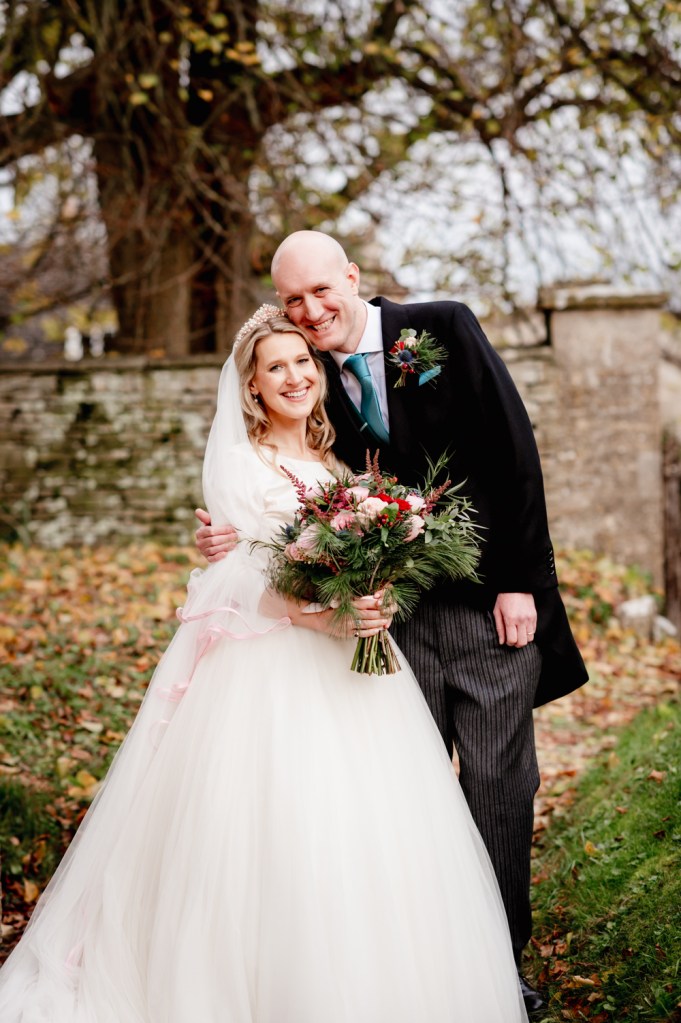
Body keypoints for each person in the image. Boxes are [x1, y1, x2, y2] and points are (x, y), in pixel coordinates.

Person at [0, 309, 528, 1022]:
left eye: (303, 363)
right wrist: (319, 614)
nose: (295, 376)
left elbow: (349, 555)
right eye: (276, 366)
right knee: (274, 832)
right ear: (251, 384)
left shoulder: (338, 462)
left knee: (369, 832)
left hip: (352, 667)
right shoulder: (238, 461)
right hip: (273, 668)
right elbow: (248, 570)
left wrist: (372, 602)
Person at [196, 230, 589, 1016]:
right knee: (406, 806)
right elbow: (291, 488)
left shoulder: (439, 328)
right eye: (293, 301)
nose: (310, 312)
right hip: (386, 622)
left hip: (489, 612)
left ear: (352, 277)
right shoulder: (311, 382)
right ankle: (410, 962)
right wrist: (227, 534)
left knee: (495, 791)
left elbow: (513, 452)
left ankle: (497, 965)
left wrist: (521, 585)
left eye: (320, 291)